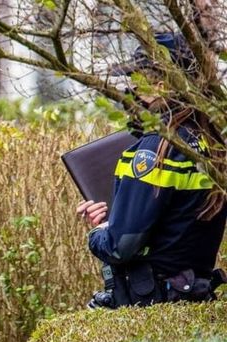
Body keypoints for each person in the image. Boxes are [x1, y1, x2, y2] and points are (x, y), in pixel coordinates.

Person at [78, 33, 225, 307]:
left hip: (156, 301)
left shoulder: (154, 150)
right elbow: (175, 221)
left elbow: (120, 246)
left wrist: (99, 233)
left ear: (159, 84)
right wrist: (116, 218)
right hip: (193, 294)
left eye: (138, 78)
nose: (133, 88)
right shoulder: (209, 143)